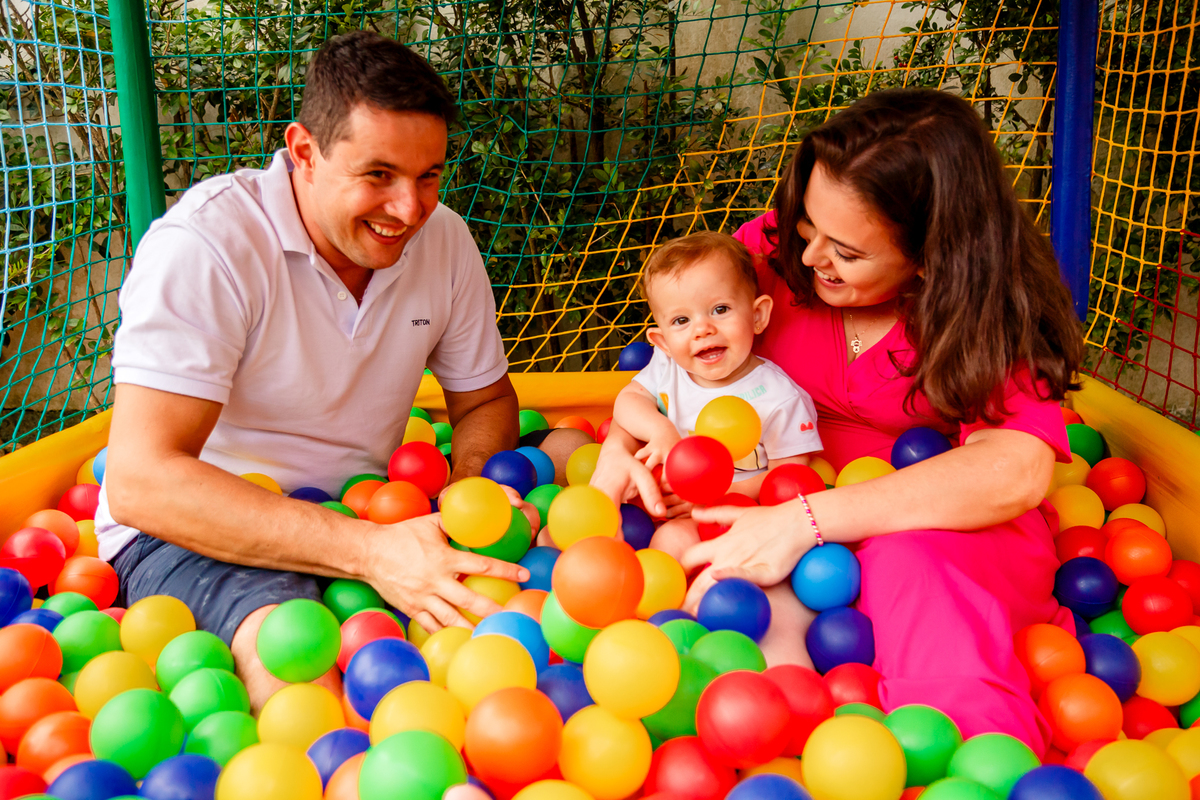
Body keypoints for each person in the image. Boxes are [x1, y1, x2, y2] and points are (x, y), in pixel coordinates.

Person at [592, 88, 1083, 753]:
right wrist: (621, 443)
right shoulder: (766, 258)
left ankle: (970, 759)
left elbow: (1014, 469)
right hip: (766, 493)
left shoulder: (985, 310)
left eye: (847, 252)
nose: (810, 256)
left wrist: (806, 520)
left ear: (932, 252)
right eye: (807, 228)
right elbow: (672, 362)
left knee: (913, 567)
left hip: (921, 521)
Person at [97, 31, 529, 709]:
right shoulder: (209, 245)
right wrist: (371, 552)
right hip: (196, 533)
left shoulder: (444, 239)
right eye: (378, 175)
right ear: (304, 152)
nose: (410, 209)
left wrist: (468, 492)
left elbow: (483, 403)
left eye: (428, 175)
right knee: (295, 656)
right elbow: (140, 482)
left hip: (373, 508)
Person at [604, 232, 822, 563]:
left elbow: (789, 476)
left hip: (729, 512)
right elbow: (629, 399)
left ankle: (663, 594)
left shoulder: (779, 397)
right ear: (662, 342)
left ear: (758, 316)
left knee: (671, 541)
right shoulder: (667, 367)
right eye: (681, 320)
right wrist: (661, 431)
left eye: (720, 309)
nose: (702, 329)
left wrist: (713, 495)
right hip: (656, 498)